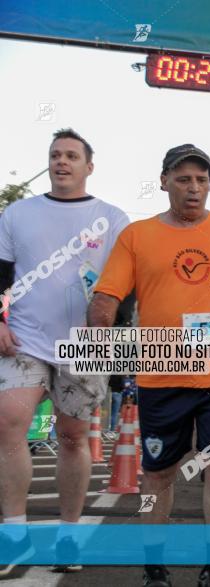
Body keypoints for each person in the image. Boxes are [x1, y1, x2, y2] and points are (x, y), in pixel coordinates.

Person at [87, 144, 210, 587]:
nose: (194, 188)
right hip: (161, 373)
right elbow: (106, 298)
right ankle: (155, 566)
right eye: (183, 179)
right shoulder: (137, 236)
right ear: (164, 181)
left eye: (201, 180)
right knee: (158, 473)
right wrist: (101, 343)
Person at [0, 129, 130, 576]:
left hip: (85, 344)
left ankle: (68, 538)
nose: (62, 162)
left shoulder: (112, 218)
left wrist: (112, 336)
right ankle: (15, 535)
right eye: (55, 155)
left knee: (74, 437)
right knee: (8, 426)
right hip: (24, 339)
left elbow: (126, 287)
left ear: (88, 166)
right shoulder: (18, 213)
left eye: (72, 156)